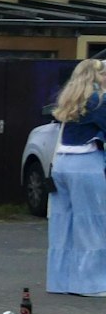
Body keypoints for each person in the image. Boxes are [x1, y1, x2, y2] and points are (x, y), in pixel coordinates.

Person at [47, 58, 106, 296]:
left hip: (62, 164)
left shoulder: (71, 99)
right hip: (85, 165)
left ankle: (60, 282)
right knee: (90, 224)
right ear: (96, 76)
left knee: (64, 225)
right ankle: (90, 284)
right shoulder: (99, 100)